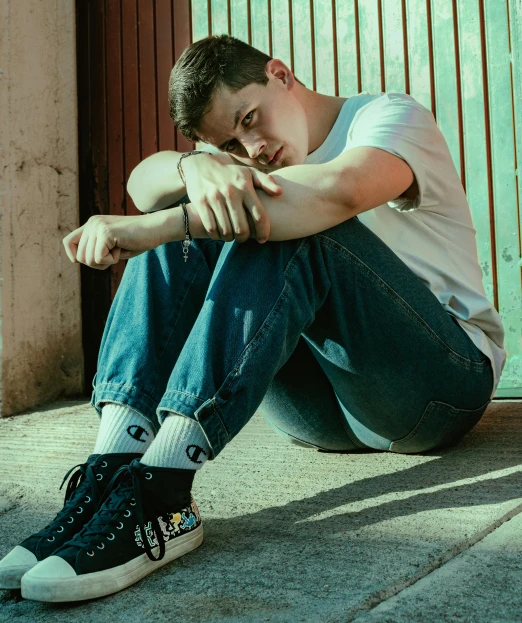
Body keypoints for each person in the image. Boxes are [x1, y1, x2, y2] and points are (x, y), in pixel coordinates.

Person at [0, 35, 506, 603]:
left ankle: (164, 489)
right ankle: (113, 469)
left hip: (437, 389)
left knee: (279, 224)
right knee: (192, 208)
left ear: (280, 73)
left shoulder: (387, 116)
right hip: (319, 414)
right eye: (232, 145)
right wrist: (195, 168)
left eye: (250, 119)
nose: (253, 150)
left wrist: (162, 225)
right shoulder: (238, 155)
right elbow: (144, 184)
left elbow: (340, 191)